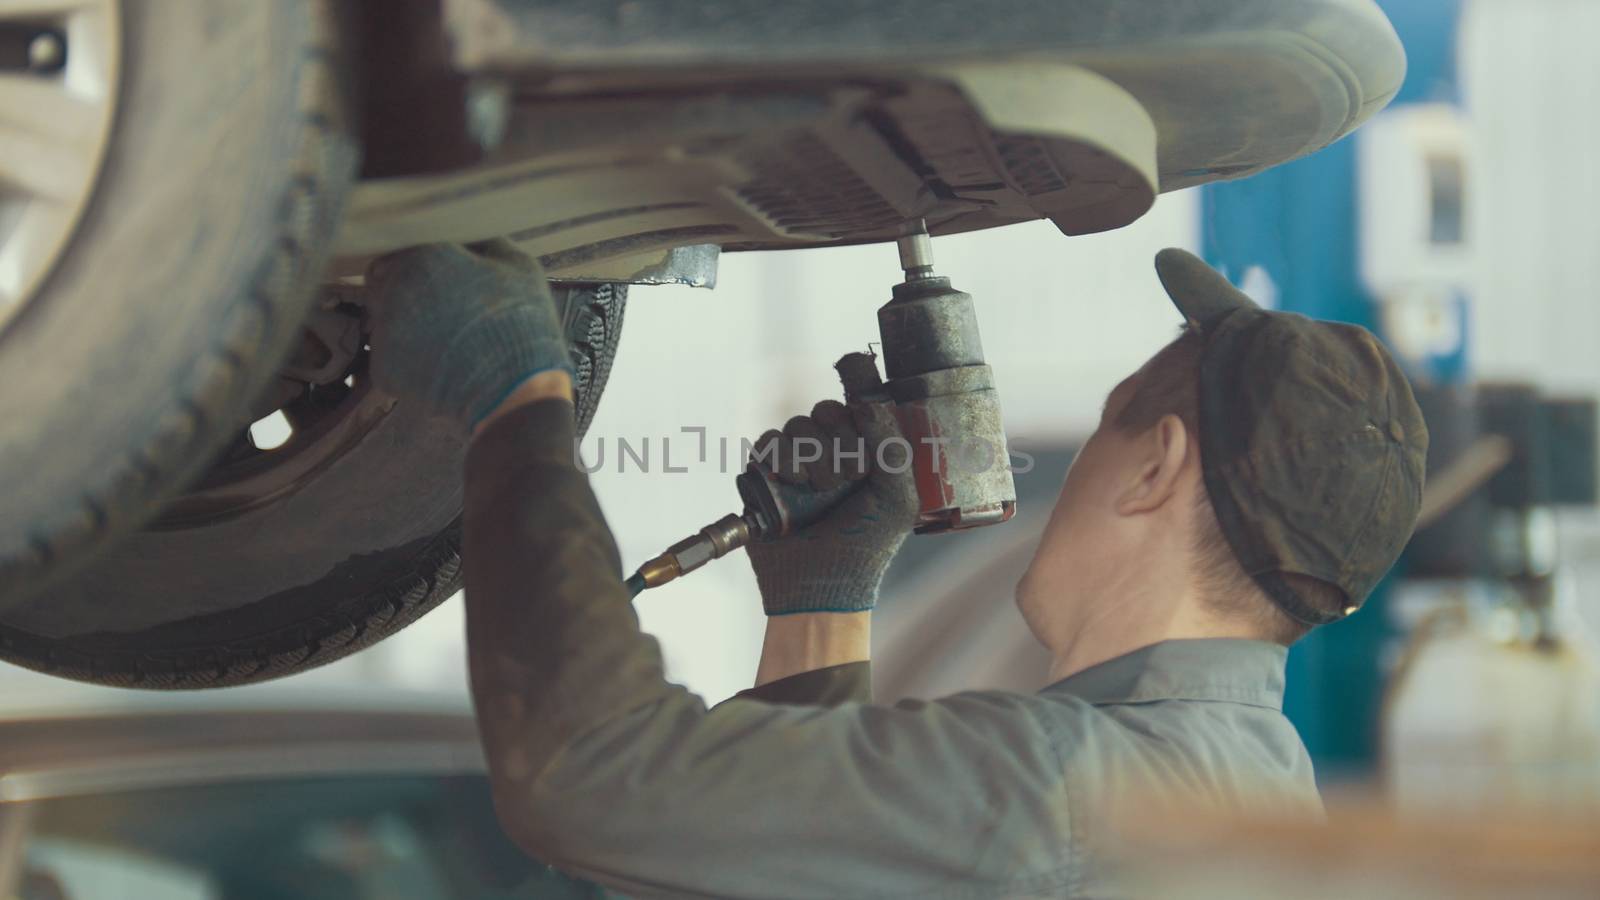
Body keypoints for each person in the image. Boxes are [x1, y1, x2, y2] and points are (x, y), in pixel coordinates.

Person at [364, 240, 1427, 898]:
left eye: (1109, 427)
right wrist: (822, 603)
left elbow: (592, 781)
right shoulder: (1247, 789)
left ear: (1154, 466)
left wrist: (516, 402)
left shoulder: (1066, 792)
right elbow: (764, 868)